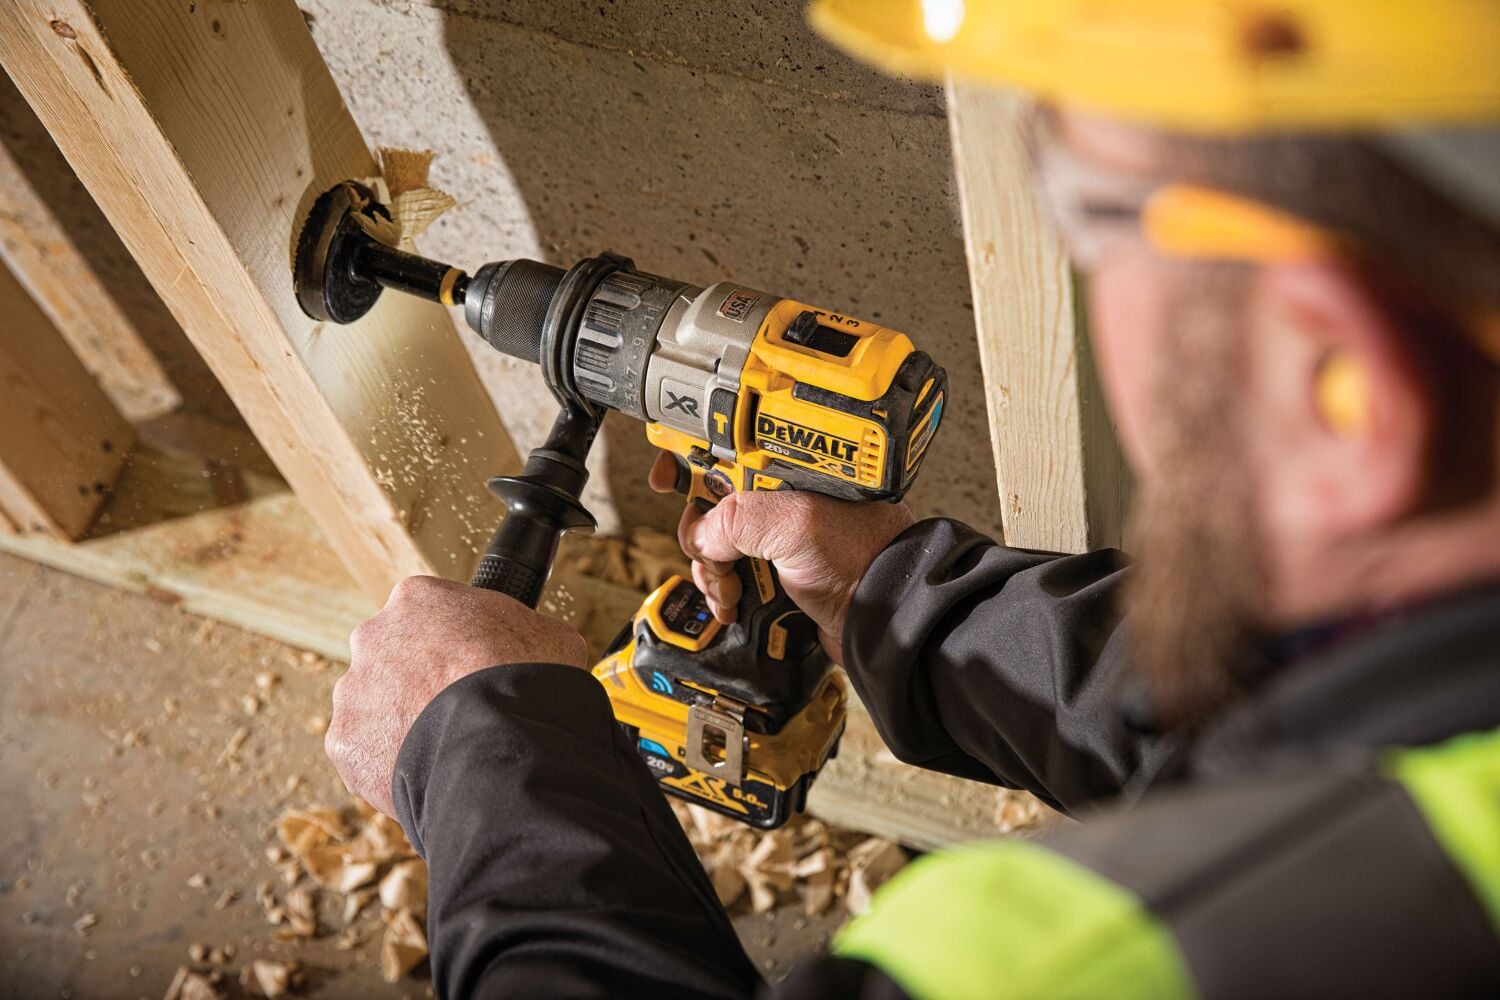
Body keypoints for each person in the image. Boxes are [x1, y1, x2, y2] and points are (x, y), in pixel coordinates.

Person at [325, 2, 1500, 996]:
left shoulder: (1070, 961)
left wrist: (478, 747)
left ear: (1337, 380)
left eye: (1086, 204)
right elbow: (1302, 704)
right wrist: (909, 602)